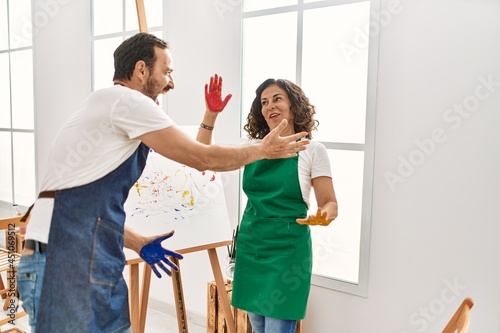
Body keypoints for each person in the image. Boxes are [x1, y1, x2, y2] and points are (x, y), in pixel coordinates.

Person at [16, 33, 309, 333]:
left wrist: (137, 242)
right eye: (167, 71)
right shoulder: (125, 100)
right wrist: (263, 150)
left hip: (92, 263)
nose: (172, 83)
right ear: (141, 70)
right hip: (66, 266)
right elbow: (200, 157)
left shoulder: (108, 109)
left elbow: (88, 208)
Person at [209, 78, 338, 333]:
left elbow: (330, 202)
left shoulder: (312, 150)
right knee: (257, 327)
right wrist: (210, 115)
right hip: (253, 246)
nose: (269, 106)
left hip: (288, 252)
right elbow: (204, 157)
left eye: (277, 98)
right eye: (264, 102)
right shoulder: (252, 147)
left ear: (293, 105)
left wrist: (324, 215)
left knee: (278, 328)